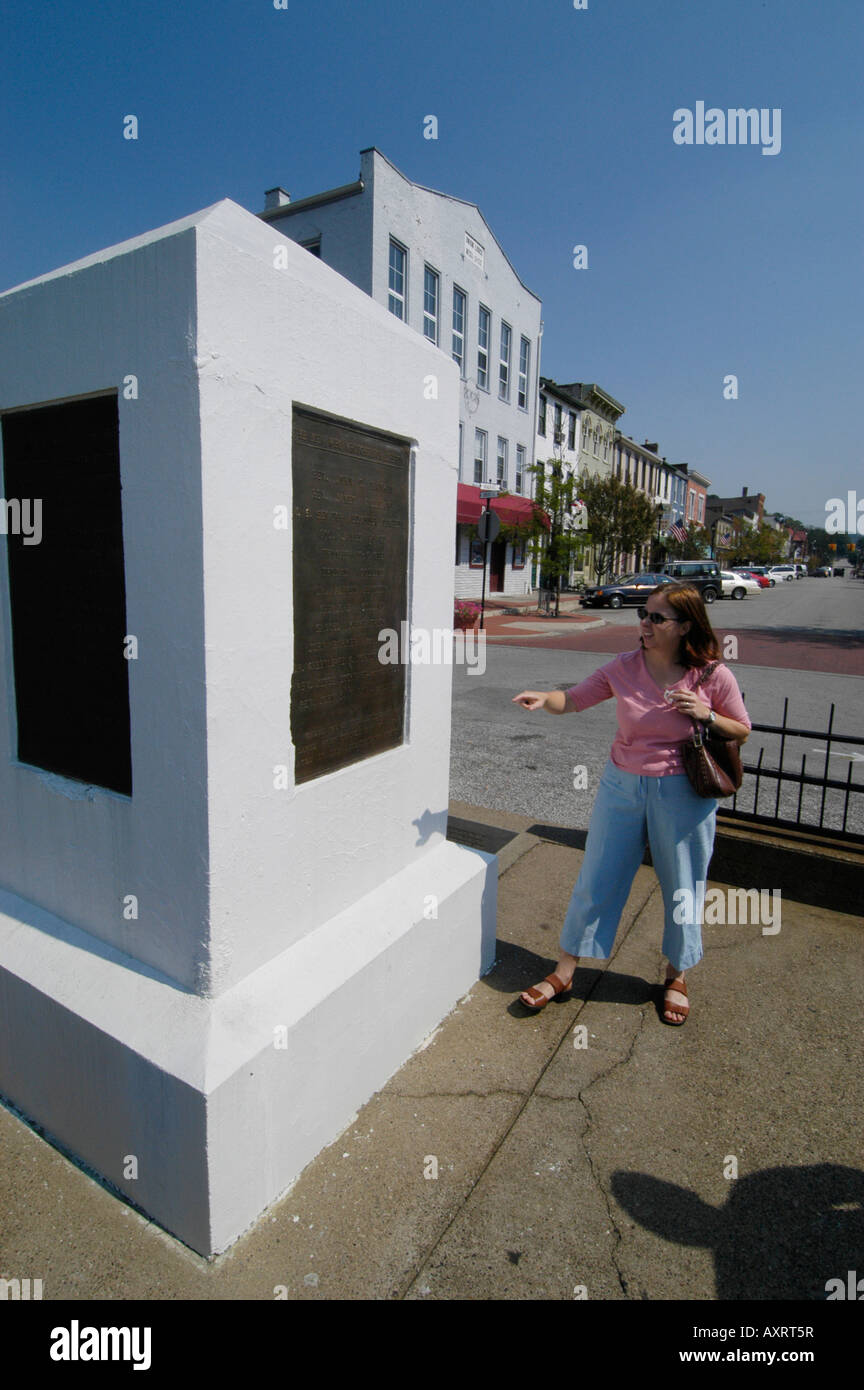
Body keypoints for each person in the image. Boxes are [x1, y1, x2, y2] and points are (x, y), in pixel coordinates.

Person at [512, 582, 751, 1025]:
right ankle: (565, 970)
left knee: (683, 884)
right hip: (621, 786)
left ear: (684, 626)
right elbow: (576, 699)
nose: (645, 622)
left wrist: (705, 714)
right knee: (597, 876)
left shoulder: (712, 675)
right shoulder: (623, 666)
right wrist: (547, 698)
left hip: (683, 792)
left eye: (657, 617)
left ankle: (677, 975)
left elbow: (741, 729)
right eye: (644, 613)